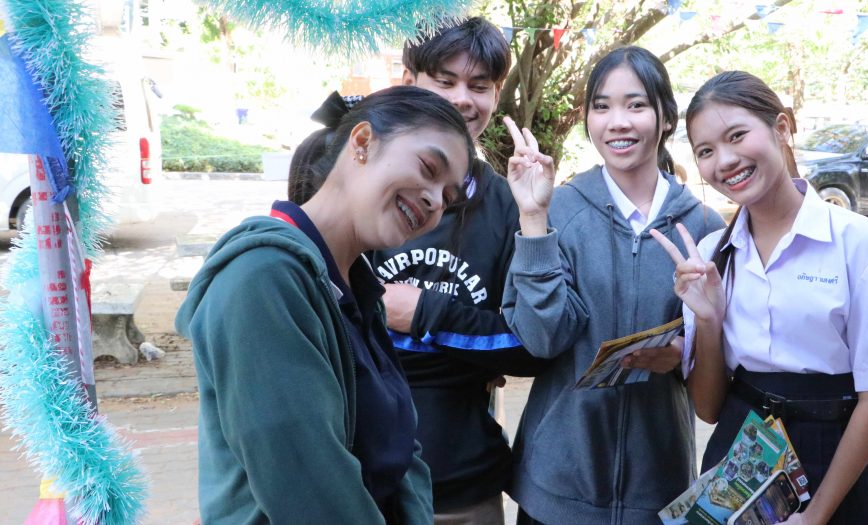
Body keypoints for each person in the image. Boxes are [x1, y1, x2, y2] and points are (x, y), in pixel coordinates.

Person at [287, 17, 549, 525]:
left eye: (479, 86)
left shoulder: (507, 204)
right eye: (444, 81)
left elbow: (530, 345)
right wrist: (468, 346)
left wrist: (425, 313)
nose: (462, 99)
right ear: (409, 80)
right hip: (359, 485)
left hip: (464, 486)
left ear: (496, 95)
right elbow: (328, 329)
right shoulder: (365, 189)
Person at [175, 85, 474, 524]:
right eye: (429, 168)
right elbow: (311, 493)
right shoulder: (263, 279)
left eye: (447, 198)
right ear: (362, 142)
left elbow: (402, 452)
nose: (433, 200)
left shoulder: (360, 290)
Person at [651, 70, 868, 525]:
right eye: (706, 151)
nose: (725, 161)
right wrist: (709, 321)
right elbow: (708, 409)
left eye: (737, 136)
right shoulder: (712, 256)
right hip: (739, 461)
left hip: (837, 461)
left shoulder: (863, 245)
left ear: (782, 127)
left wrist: (814, 518)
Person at [501, 46, 725, 524]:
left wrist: (683, 352)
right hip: (557, 492)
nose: (617, 122)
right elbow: (542, 340)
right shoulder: (558, 209)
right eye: (601, 106)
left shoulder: (704, 227)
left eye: (635, 105)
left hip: (657, 489)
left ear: (666, 117)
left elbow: (723, 368)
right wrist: (534, 219)